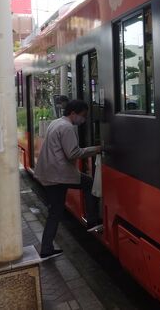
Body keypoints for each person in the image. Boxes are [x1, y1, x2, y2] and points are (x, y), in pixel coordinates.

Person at [34, 100, 102, 260]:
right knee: (89, 184)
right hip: (58, 175)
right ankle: (92, 220)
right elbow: (73, 153)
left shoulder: (56, 123)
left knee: (55, 212)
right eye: (83, 115)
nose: (83, 119)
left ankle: (46, 247)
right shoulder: (67, 127)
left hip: (51, 173)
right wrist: (97, 149)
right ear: (73, 113)